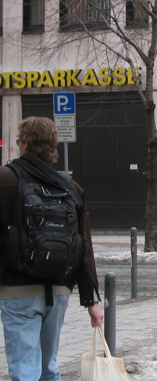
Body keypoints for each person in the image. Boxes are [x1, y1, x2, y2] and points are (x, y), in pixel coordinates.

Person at [0, 117, 103, 380]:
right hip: (59, 288)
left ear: (23, 143)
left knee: (25, 367)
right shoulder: (70, 187)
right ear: (53, 146)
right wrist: (90, 299)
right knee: (48, 366)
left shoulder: (6, 179)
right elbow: (84, 243)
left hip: (16, 288)